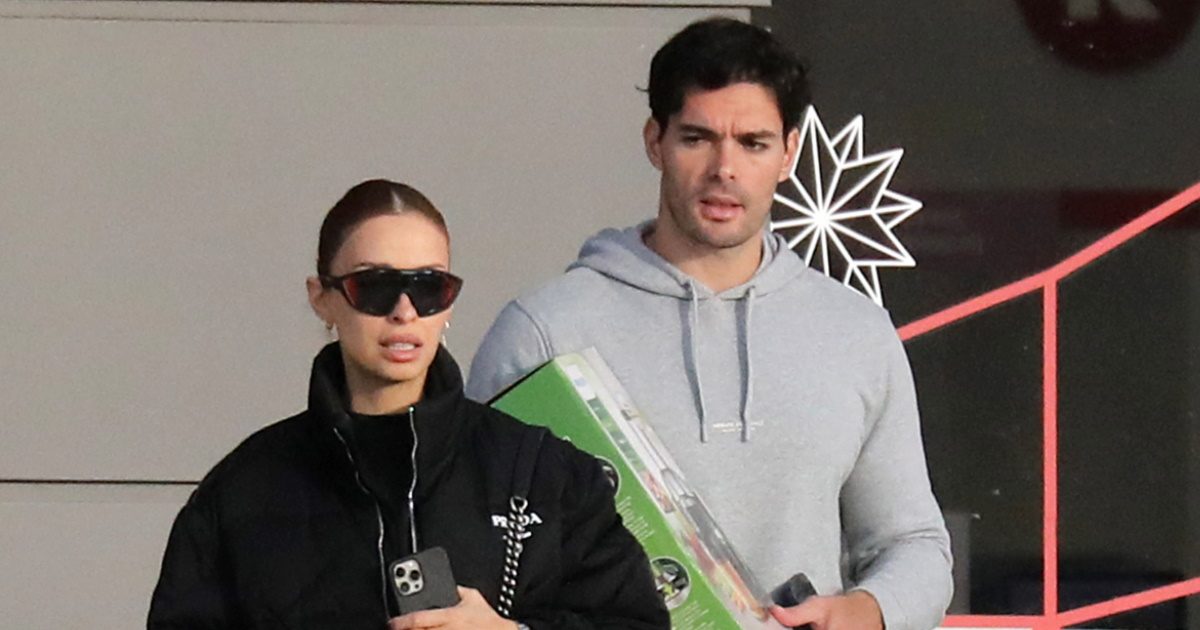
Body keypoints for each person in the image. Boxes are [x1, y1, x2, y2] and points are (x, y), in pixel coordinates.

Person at [466, 17, 953, 630]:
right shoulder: (543, 332)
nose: (725, 168)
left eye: (753, 143)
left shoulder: (856, 334)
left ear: (789, 154)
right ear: (655, 142)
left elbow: (914, 544)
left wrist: (868, 610)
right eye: (698, 138)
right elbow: (478, 553)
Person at [148, 179, 668, 630]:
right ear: (322, 298)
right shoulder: (244, 493)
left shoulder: (543, 474)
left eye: (429, 287)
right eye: (374, 286)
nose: (404, 311)